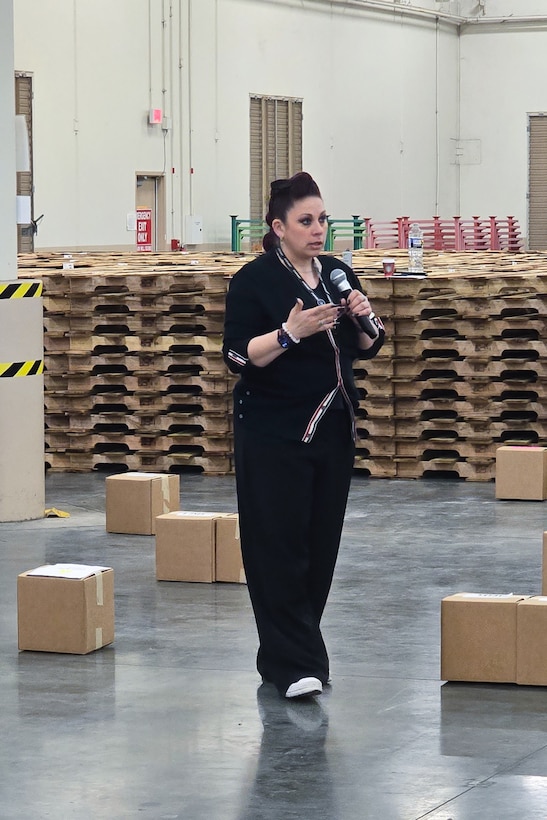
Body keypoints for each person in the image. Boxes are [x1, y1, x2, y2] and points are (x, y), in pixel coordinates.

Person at [222, 171, 385, 699]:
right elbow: (237, 355)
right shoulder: (254, 282)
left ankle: (290, 655)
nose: (318, 230)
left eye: (322, 220)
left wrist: (361, 317)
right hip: (273, 434)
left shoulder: (337, 272)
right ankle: (294, 665)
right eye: (305, 221)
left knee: (318, 547)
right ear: (279, 227)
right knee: (277, 547)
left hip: (332, 429)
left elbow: (368, 346)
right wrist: (290, 333)